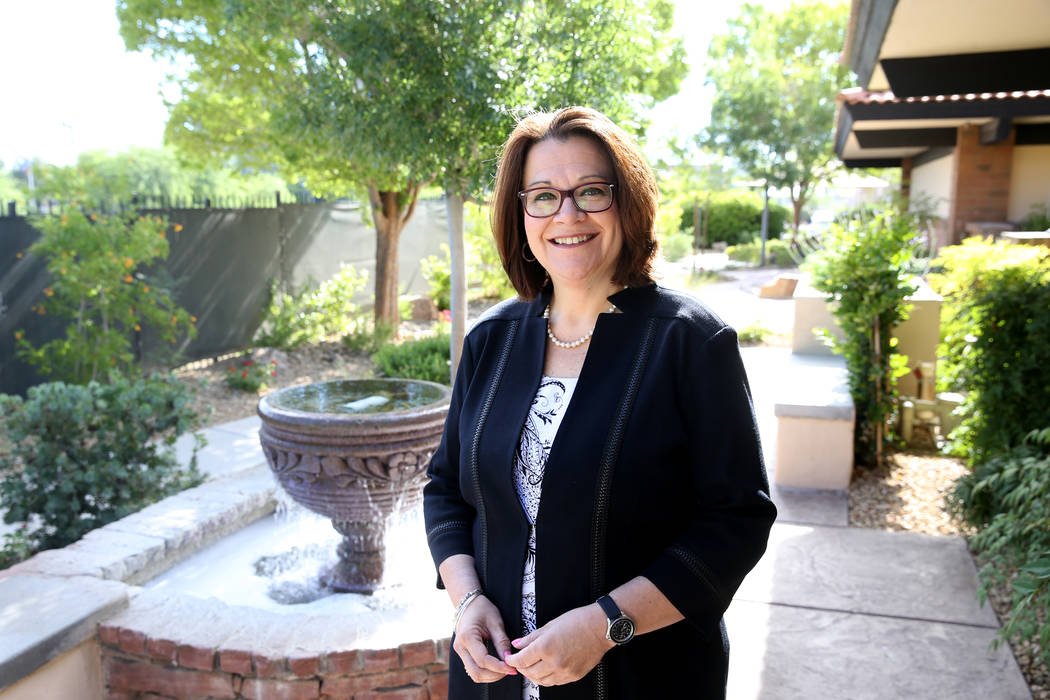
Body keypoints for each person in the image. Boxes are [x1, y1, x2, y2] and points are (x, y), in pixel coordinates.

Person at [423, 106, 777, 700]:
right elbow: (445, 490)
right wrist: (468, 602)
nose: (567, 214)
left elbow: (737, 521)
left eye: (591, 192)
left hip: (641, 677)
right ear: (521, 213)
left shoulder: (688, 341)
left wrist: (607, 625)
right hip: (494, 682)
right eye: (542, 196)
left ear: (628, 201)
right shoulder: (491, 340)